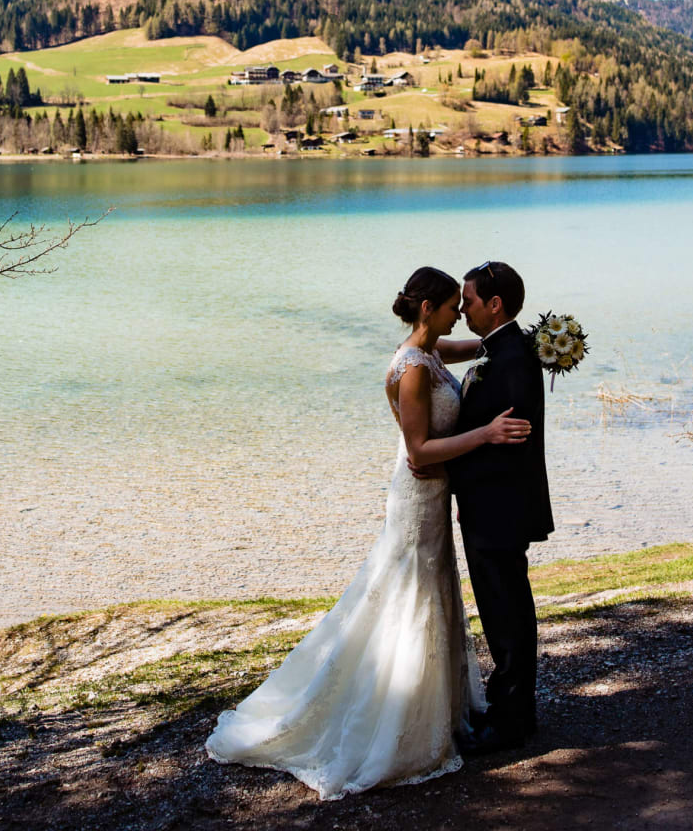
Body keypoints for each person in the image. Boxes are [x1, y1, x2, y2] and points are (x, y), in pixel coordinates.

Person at [203, 266, 531, 799]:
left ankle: (432, 707)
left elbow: (476, 346)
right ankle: (394, 718)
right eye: (453, 306)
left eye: (464, 305)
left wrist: (521, 340)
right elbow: (420, 452)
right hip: (419, 495)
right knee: (406, 595)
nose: (458, 314)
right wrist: (486, 433)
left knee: (431, 593)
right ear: (429, 310)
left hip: (433, 496)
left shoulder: (430, 352)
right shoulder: (412, 368)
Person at [443, 260, 552, 754]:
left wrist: (465, 486)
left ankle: (512, 720)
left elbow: (508, 441)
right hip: (490, 503)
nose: (462, 310)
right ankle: (510, 707)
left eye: (467, 301)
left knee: (506, 612)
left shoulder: (512, 359)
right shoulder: (501, 348)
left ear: (495, 304)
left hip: (499, 506)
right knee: (502, 608)